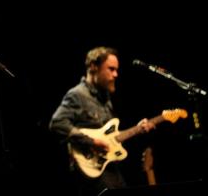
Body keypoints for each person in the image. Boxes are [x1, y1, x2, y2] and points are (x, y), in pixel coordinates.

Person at [49, 46, 155, 196]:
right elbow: (57, 123)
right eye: (111, 69)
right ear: (93, 67)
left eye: (116, 70)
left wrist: (138, 129)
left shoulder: (105, 99)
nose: (116, 74)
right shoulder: (77, 95)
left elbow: (111, 137)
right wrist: (92, 142)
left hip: (109, 167)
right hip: (89, 169)